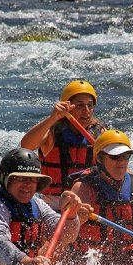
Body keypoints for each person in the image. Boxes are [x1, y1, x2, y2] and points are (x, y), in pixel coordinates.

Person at [69, 130, 133, 265]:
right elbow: (66, 236)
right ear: (99, 159)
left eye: (125, 156)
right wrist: (77, 220)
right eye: (115, 157)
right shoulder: (83, 189)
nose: (121, 162)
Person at [20, 80, 107, 209]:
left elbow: (114, 167)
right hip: (53, 203)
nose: (86, 110)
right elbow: (26, 146)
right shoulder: (53, 131)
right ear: (68, 106)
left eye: (90, 105)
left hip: (85, 202)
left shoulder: (99, 133)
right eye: (80, 105)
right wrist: (52, 118)